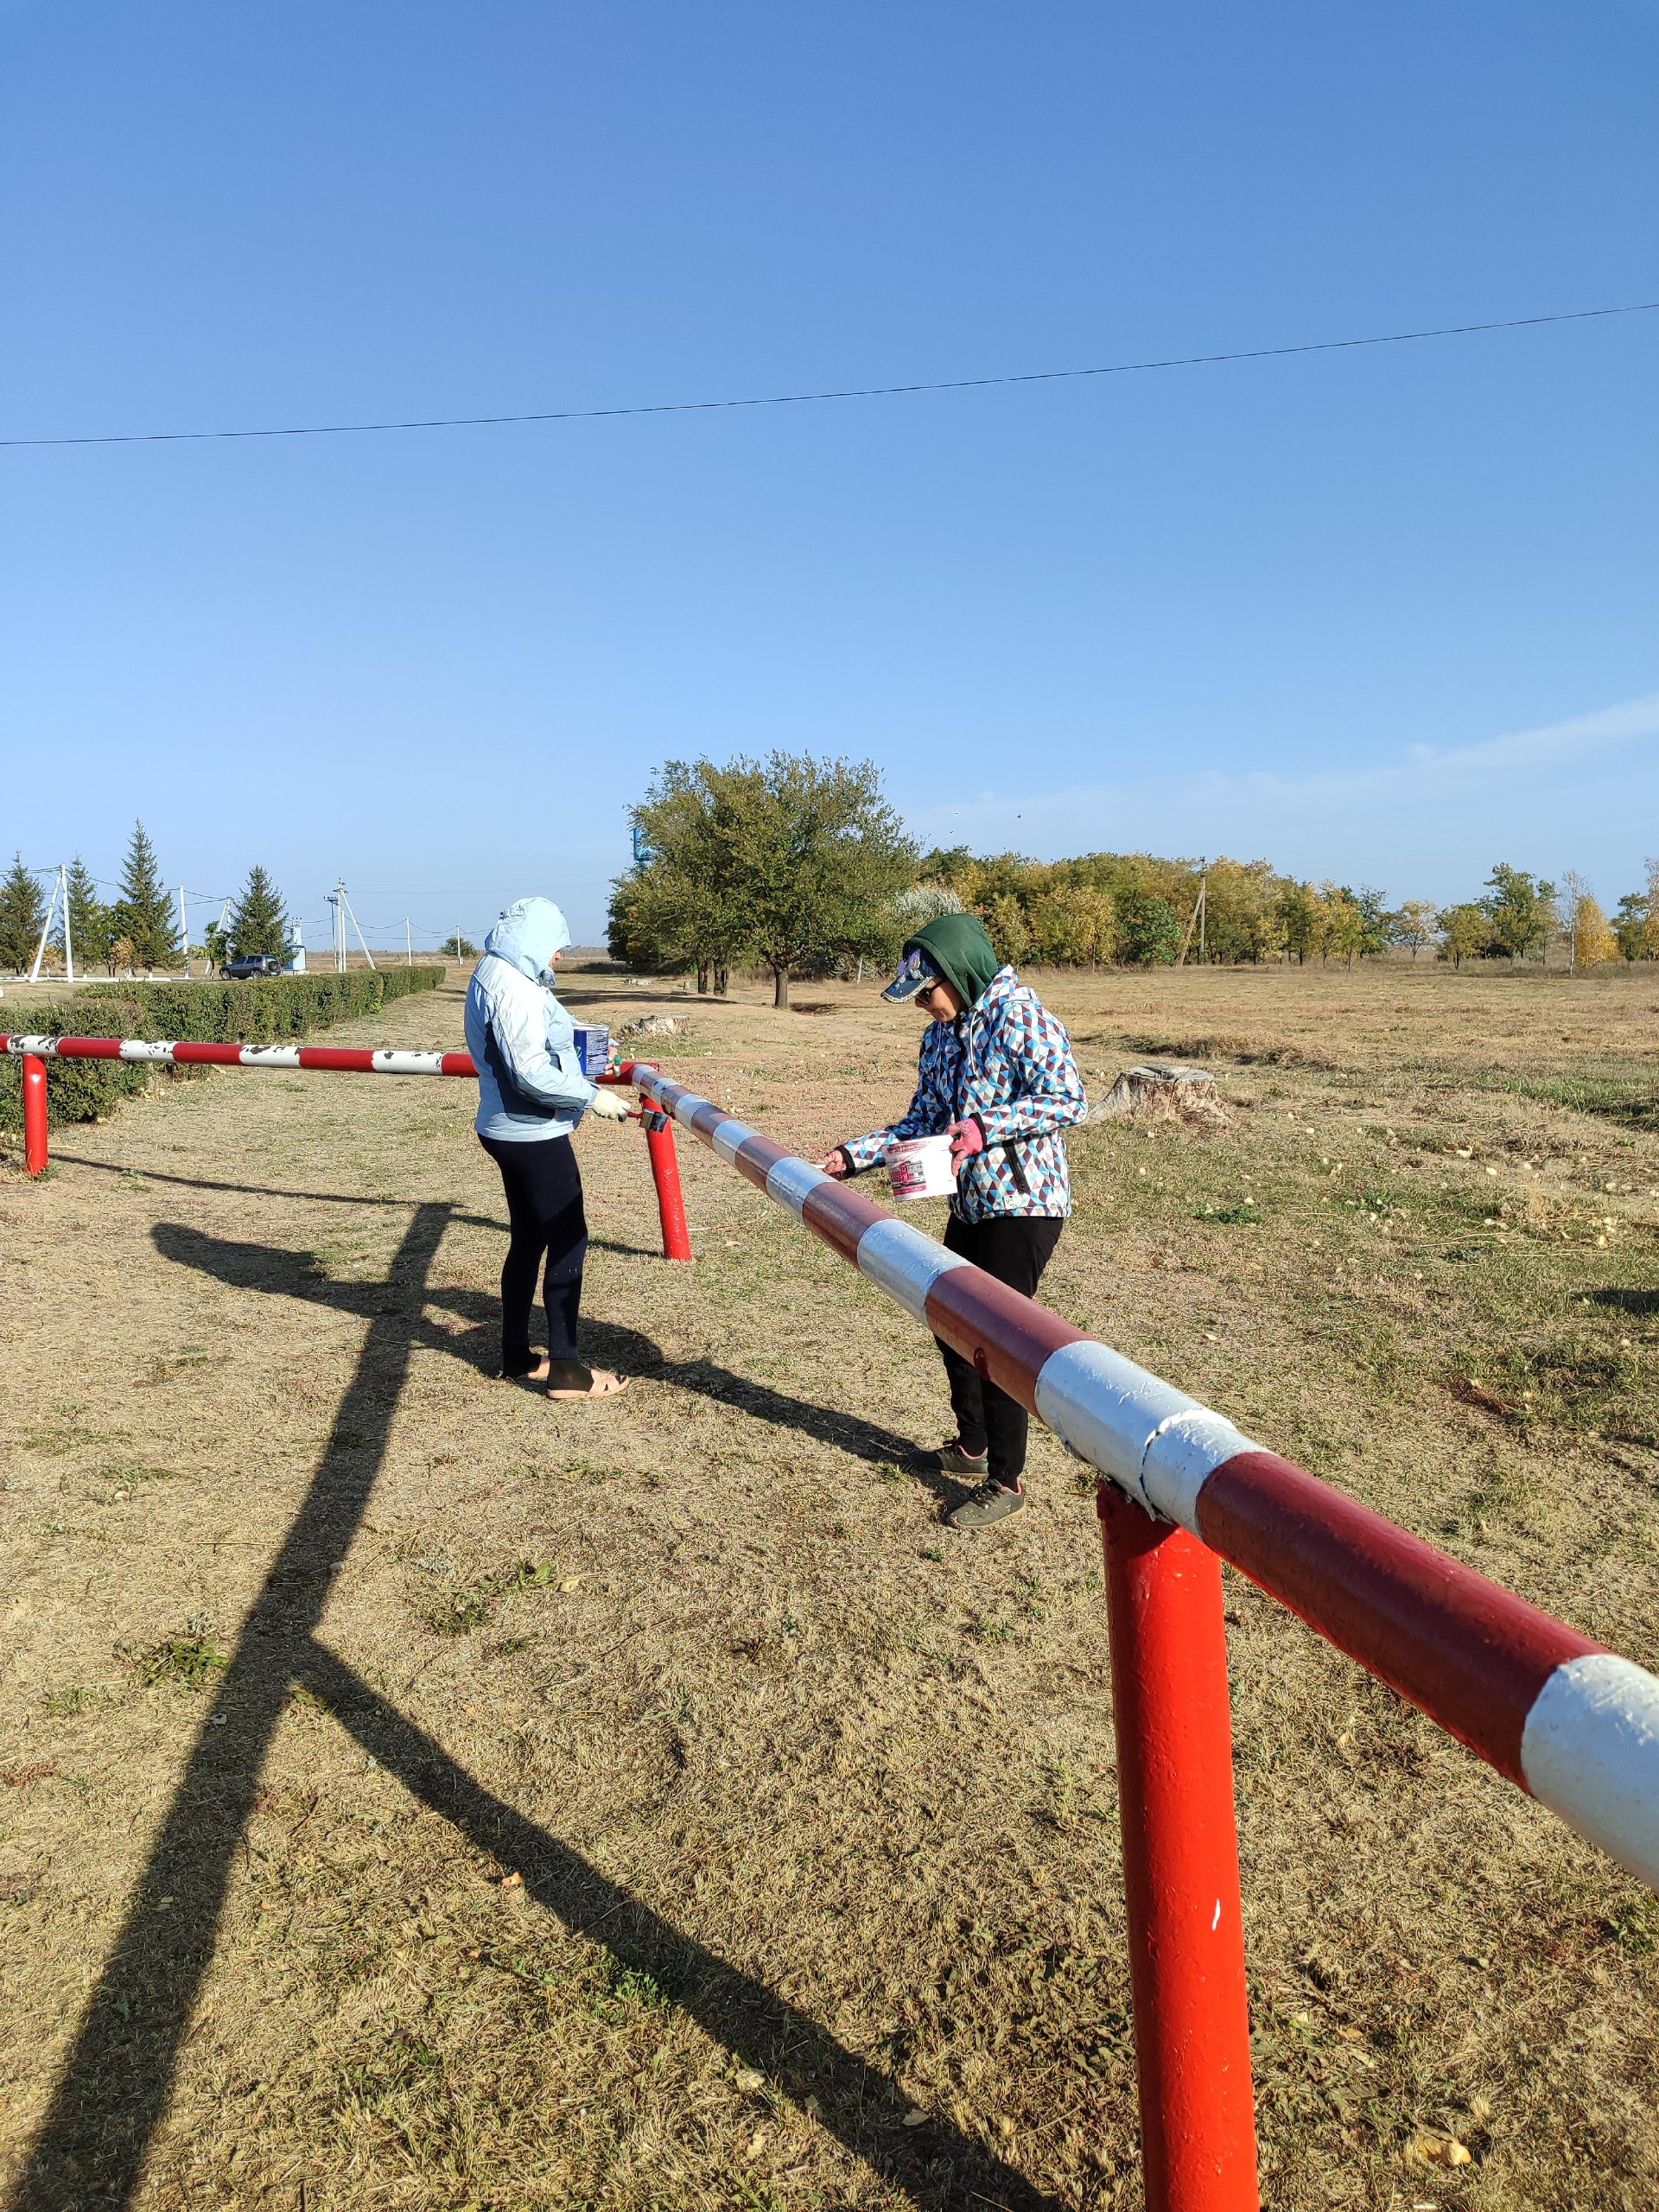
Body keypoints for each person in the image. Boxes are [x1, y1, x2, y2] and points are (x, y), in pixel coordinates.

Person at [818, 912, 1088, 1529]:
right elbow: (922, 1121)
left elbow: (1067, 1098)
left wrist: (985, 1127)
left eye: (927, 992)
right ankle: (972, 1447)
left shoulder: (1021, 1017)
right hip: (968, 1200)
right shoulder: (941, 1035)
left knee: (997, 1339)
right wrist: (851, 1156)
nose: (921, 1006)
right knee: (949, 1322)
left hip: (1023, 1204)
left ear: (961, 975)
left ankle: (1007, 1479)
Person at [466, 897, 633, 1399]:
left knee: (529, 1240)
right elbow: (531, 1073)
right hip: (531, 1132)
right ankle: (567, 1371)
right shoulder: (514, 986)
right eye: (556, 945)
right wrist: (594, 1096)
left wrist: (589, 1053)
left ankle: (516, 1355)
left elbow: (539, 1042)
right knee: (568, 1240)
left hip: (506, 1126)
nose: (559, 955)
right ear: (535, 937)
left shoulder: (497, 969)